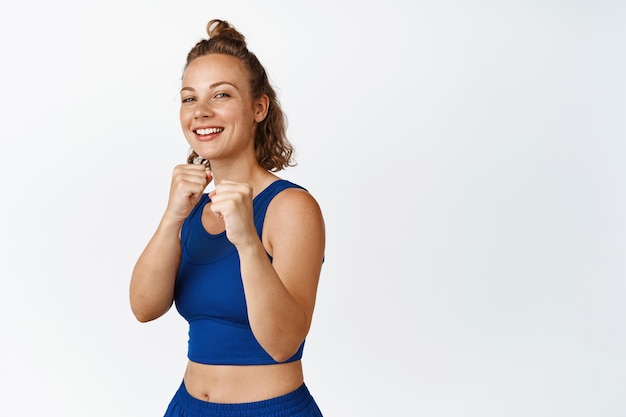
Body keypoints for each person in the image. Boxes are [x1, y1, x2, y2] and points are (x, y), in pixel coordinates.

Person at [129, 19, 326, 417]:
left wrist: (247, 240)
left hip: (271, 409)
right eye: (189, 98)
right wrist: (172, 217)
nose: (201, 111)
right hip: (186, 406)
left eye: (221, 95)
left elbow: (283, 342)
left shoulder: (290, 207)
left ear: (259, 107)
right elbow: (144, 308)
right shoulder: (191, 207)